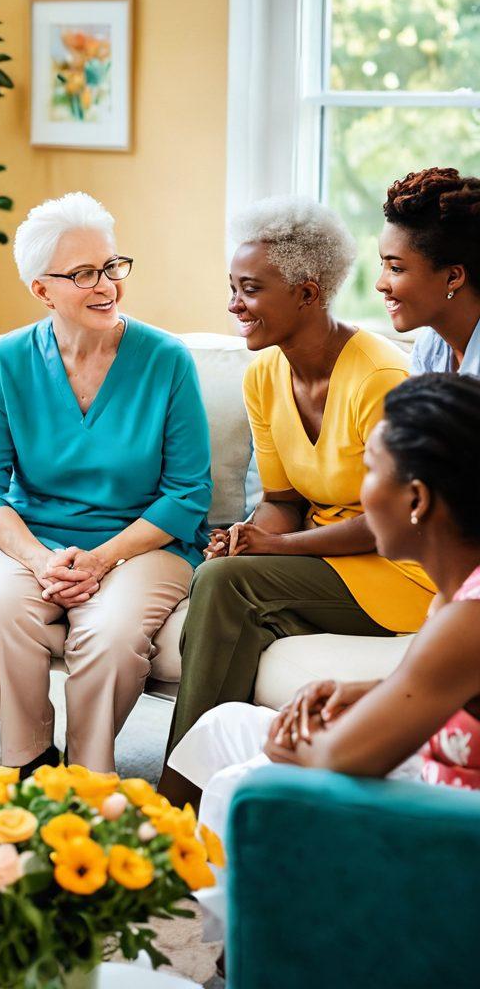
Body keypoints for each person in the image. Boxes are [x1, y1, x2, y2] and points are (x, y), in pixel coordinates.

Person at [158, 197, 435, 806]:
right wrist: (249, 536)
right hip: (324, 562)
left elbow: (397, 521)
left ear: (308, 294)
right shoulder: (262, 374)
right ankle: (237, 788)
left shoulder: (379, 378)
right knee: (224, 576)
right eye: (232, 286)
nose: (234, 304)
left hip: (399, 571)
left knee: (229, 587)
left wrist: (275, 547)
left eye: (250, 289)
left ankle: (176, 798)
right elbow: (281, 499)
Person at [0, 192, 213, 776]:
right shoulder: (6, 359)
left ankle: (89, 775)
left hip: (141, 542)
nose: (106, 286)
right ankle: (30, 765)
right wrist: (41, 561)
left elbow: (187, 493)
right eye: (83, 274)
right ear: (41, 290)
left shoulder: (166, 359)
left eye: (111, 266)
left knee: (114, 633)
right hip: (34, 538)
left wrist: (98, 561)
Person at [167, 372, 480, 834]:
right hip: (436, 779)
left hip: (449, 829)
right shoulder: (459, 595)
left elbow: (336, 759)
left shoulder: (465, 620)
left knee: (248, 783)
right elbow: (453, 688)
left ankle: (213, 886)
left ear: (417, 499)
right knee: (222, 723)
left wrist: (286, 743)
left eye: (369, 471)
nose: (359, 496)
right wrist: (362, 691)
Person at [377, 167, 480, 377]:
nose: (380, 284)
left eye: (395, 268)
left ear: (453, 277)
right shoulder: (430, 346)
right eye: (383, 266)